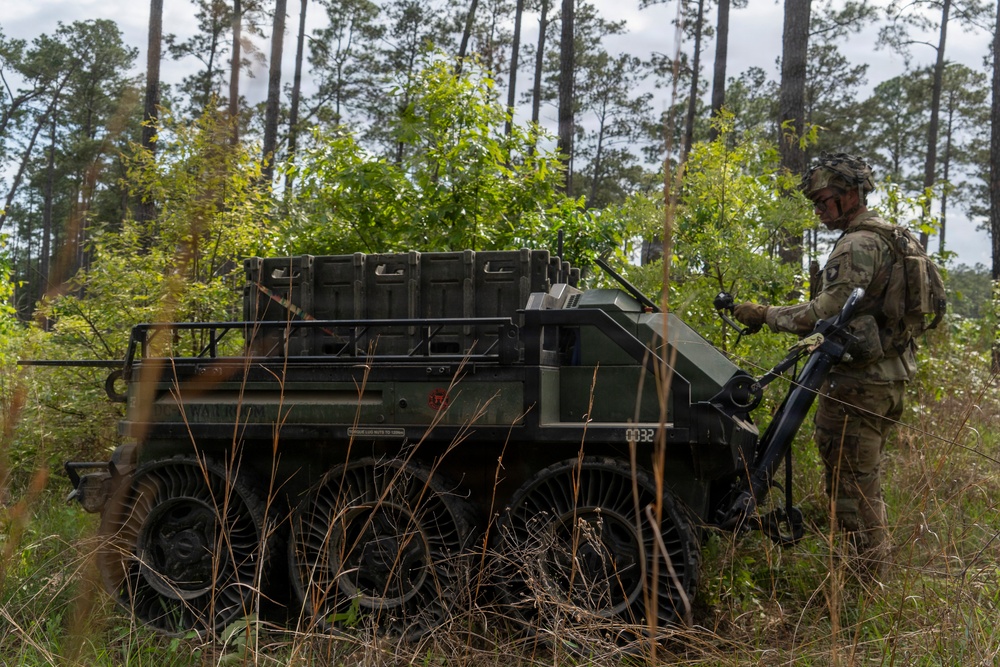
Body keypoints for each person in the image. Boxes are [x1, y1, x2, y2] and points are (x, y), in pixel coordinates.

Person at [733, 152, 915, 574]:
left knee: (852, 486)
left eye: (824, 199)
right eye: (815, 201)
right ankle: (866, 576)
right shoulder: (894, 236)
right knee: (863, 478)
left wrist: (764, 314)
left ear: (851, 195)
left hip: (858, 385)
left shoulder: (856, 244)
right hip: (890, 379)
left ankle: (864, 585)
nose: (818, 209)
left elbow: (826, 312)